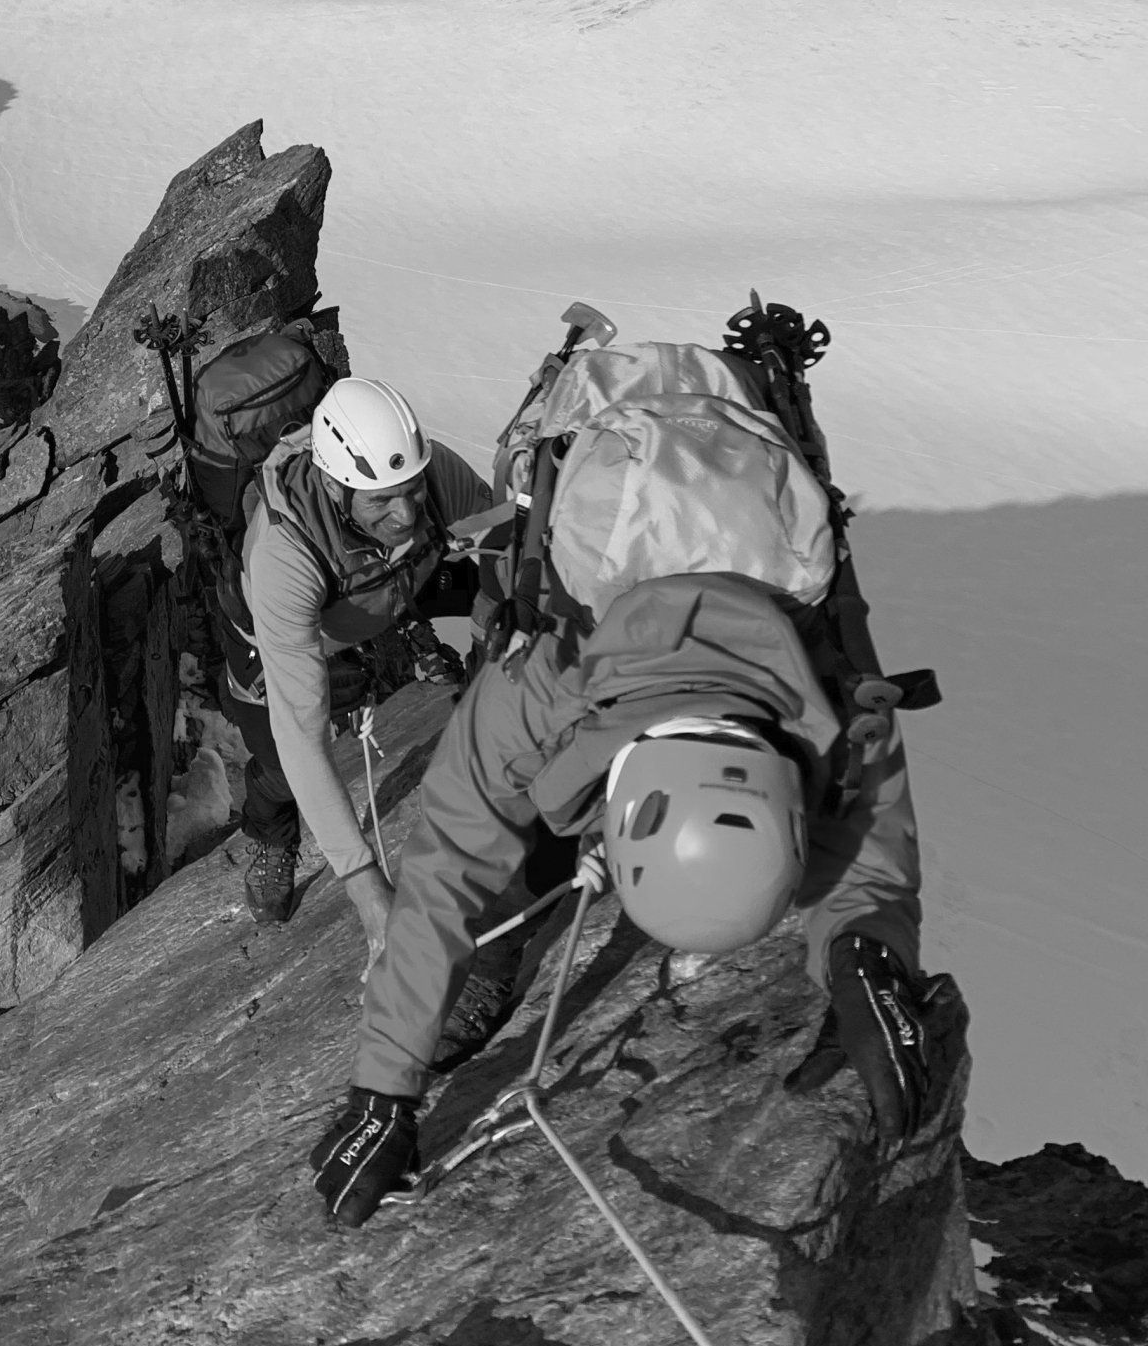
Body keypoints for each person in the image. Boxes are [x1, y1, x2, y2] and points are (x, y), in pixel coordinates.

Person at [310, 566, 934, 1226]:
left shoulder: (836, 696)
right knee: (521, 846)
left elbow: (866, 820)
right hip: (593, 625)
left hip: (740, 596)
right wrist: (384, 1086)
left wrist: (866, 955)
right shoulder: (531, 692)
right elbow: (447, 875)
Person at [223, 375, 492, 953]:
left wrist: (492, 645)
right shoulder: (284, 555)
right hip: (298, 628)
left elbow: (503, 545)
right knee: (277, 759)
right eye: (382, 500)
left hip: (386, 590)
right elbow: (302, 733)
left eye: (414, 491)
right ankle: (271, 835)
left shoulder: (428, 474)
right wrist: (369, 892)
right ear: (333, 482)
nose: (405, 514)